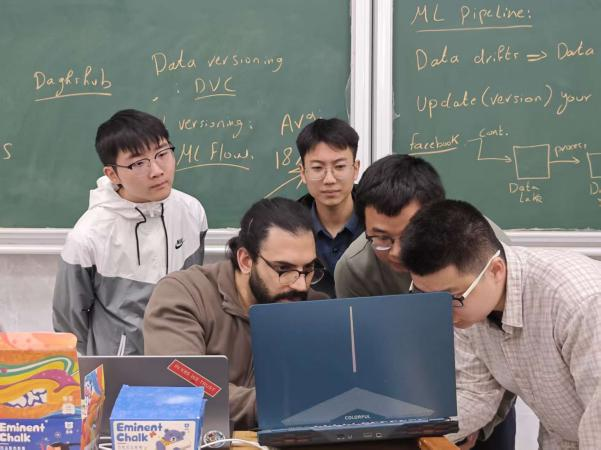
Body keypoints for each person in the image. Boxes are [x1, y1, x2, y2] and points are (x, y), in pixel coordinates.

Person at [334, 154, 515, 450]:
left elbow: (512, 352)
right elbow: (365, 361)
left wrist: (479, 426)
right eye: (381, 239)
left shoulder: (485, 248)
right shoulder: (354, 270)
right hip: (404, 404)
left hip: (486, 397)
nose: (397, 252)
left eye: (409, 234)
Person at [400, 199, 601, 449]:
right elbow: (476, 393)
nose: (440, 314)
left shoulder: (580, 303)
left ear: (496, 270)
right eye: (425, 296)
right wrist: (403, 432)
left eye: (450, 299)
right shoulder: (467, 308)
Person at [143, 197, 328, 429]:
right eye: (284, 269)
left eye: (308, 270)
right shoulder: (184, 294)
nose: (300, 285)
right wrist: (282, 405)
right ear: (246, 260)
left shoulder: (316, 308)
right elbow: (183, 388)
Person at [52, 109, 208, 356]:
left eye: (162, 154)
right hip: (118, 366)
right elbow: (69, 328)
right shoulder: (87, 236)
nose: (157, 170)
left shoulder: (192, 212)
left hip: (181, 356)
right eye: (138, 163)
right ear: (112, 174)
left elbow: (193, 291)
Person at [296, 118, 362, 296]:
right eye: (318, 168)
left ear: (355, 169)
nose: (329, 179)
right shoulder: (287, 229)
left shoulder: (379, 223)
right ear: (303, 172)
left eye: (339, 166)